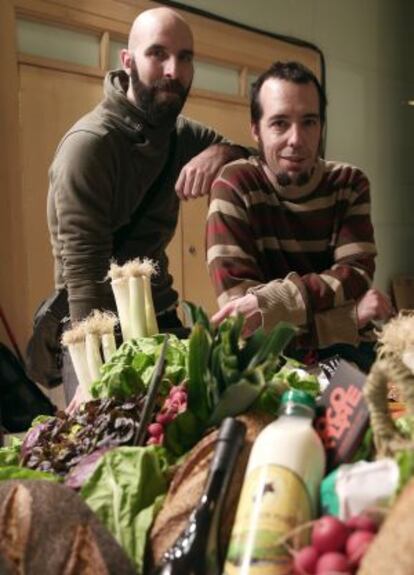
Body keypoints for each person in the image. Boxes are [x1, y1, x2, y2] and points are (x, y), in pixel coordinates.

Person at [28, 7, 248, 403]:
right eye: (158, 54)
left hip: (160, 319)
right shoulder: (90, 145)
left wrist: (222, 151)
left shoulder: (183, 134)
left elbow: (257, 163)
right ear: (127, 62)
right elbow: (83, 271)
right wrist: (96, 374)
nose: (173, 70)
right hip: (97, 327)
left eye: (185, 58)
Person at [207, 61, 393, 369]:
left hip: (346, 356)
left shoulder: (349, 183)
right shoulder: (234, 185)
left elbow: (356, 275)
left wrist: (273, 302)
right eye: (280, 123)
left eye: (309, 122)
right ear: (255, 129)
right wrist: (345, 320)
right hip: (266, 362)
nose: (297, 139)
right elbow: (247, 323)